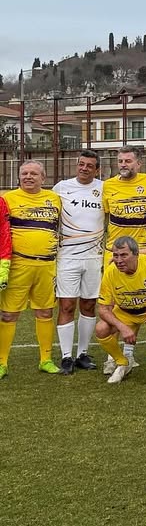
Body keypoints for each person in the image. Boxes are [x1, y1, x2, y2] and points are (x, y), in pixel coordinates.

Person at [0, 161, 63, 377]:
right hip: (18, 264)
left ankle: (45, 359)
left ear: (43, 178)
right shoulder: (8, 199)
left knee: (45, 311)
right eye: (24, 173)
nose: (28, 177)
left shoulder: (54, 199)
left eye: (34, 173)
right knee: (9, 314)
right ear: (18, 177)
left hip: (46, 265)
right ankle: (2, 363)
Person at [94, 236, 146, 384]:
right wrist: (122, 327)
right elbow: (103, 309)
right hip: (126, 311)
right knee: (101, 328)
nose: (119, 260)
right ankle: (123, 363)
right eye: (115, 255)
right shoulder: (110, 272)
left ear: (136, 255)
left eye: (124, 255)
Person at [53, 149, 104, 373]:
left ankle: (83, 353)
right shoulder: (61, 188)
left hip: (94, 257)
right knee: (66, 305)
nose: (84, 168)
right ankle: (66, 356)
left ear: (97, 169)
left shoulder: (104, 189)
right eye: (81, 164)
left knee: (89, 304)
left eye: (89, 166)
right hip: (67, 257)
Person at [101, 145, 146, 253]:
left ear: (139, 164)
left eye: (128, 161)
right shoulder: (108, 185)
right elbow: (106, 217)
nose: (123, 165)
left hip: (144, 250)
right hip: (114, 250)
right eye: (120, 161)